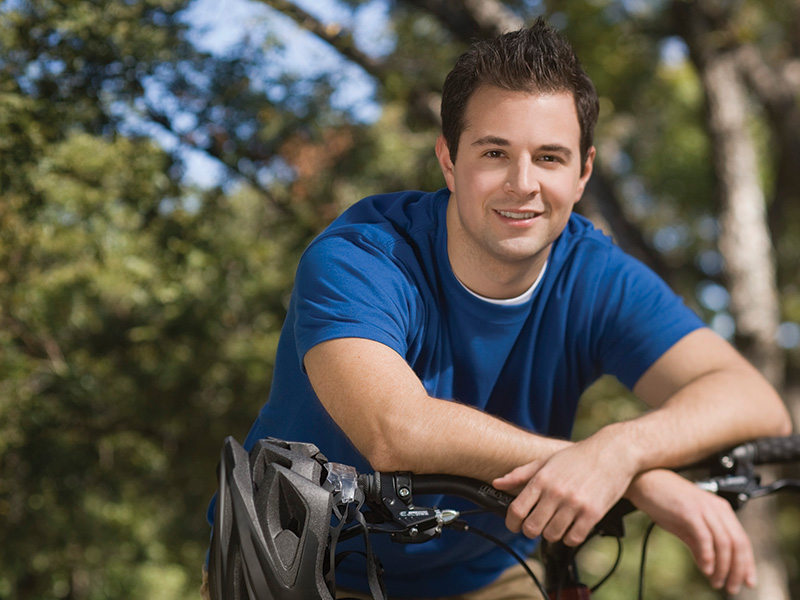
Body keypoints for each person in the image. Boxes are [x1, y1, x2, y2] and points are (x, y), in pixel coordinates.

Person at [203, 18, 792, 600]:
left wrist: (622, 452)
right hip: (304, 576)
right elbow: (396, 430)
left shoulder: (593, 274)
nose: (522, 183)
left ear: (583, 172)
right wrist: (628, 478)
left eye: (550, 158)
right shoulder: (362, 257)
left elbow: (753, 400)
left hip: (488, 575)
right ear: (449, 160)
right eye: (494, 152)